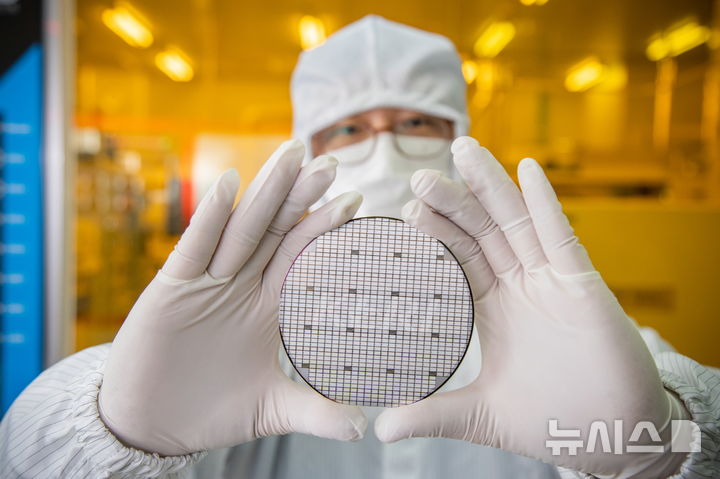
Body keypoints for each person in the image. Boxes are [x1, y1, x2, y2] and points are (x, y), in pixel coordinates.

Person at [1, 15, 718, 479]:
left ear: (461, 137)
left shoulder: (553, 329)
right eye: (348, 129)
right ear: (306, 148)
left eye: (417, 122)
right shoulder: (236, 338)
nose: (385, 148)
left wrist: (661, 446)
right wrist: (120, 433)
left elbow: (692, 437)